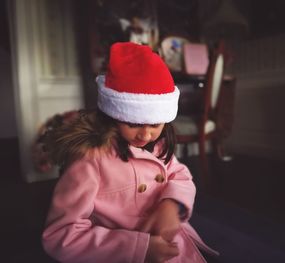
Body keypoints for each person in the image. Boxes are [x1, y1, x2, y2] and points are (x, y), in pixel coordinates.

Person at [41, 42, 218, 263]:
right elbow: (61, 235)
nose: (145, 135)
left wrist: (172, 204)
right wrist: (138, 248)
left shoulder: (159, 145)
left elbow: (180, 175)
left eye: (155, 124)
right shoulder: (90, 160)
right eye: (133, 124)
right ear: (112, 114)